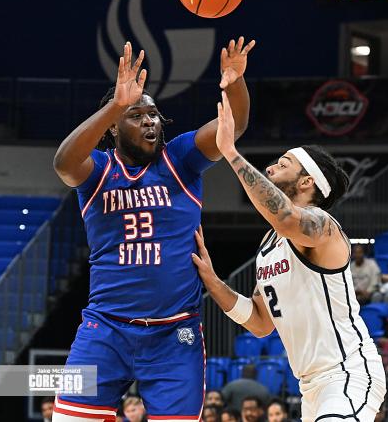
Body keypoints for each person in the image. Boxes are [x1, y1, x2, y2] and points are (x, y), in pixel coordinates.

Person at [51, 38, 255, 421]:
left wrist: (235, 83)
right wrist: (115, 104)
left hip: (174, 335)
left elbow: (234, 125)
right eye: (136, 114)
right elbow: (64, 163)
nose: (149, 120)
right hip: (105, 329)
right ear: (113, 128)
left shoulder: (180, 158)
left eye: (154, 114)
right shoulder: (97, 170)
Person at [192, 91, 386, 421]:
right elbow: (260, 322)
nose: (270, 166)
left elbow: (285, 216)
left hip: (348, 373)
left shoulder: (323, 226)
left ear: (307, 181)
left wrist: (231, 152)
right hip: (309, 386)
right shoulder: (269, 245)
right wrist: (213, 282)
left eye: (284, 164)